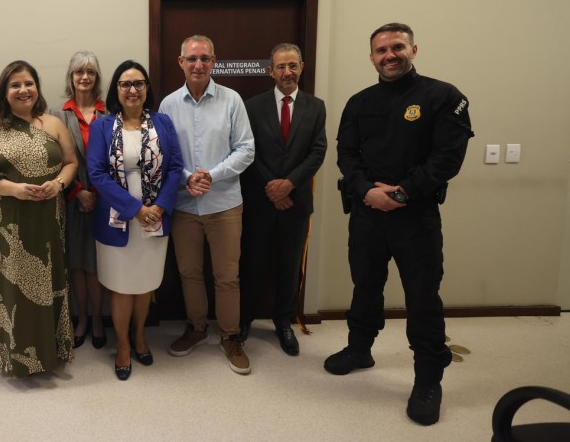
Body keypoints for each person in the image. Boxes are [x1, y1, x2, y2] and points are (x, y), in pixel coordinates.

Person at [327, 23, 473, 426]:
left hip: (416, 217)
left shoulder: (443, 96)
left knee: (423, 298)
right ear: (371, 57)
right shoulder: (360, 102)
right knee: (365, 286)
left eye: (397, 48)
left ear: (413, 49)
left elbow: (447, 158)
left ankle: (428, 379)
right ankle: (360, 349)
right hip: (367, 214)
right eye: (380, 50)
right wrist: (366, 192)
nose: (389, 55)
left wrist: (404, 193)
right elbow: (346, 153)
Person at [0, 60, 78, 378]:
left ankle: (53, 350)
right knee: (14, 288)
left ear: (37, 88)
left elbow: (70, 163)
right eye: (15, 84)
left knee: (49, 281)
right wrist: (15, 189)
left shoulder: (53, 122)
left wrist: (58, 184)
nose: (23, 89)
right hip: (8, 219)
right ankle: (15, 357)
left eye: (28, 83)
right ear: (4, 91)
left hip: (48, 218)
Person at [159, 34, 255, 375]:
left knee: (227, 276)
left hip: (224, 204)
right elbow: (164, 153)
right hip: (185, 204)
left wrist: (211, 175)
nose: (198, 64)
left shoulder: (232, 100)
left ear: (214, 62)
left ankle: (231, 337)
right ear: (180, 62)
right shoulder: (169, 105)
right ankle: (197, 329)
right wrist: (188, 177)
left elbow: (246, 149)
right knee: (189, 273)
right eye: (192, 58)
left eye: (205, 58)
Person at [87, 60, 184, 380]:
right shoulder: (103, 126)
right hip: (118, 219)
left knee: (143, 286)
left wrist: (160, 205)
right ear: (116, 90)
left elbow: (174, 168)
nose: (132, 89)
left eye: (138, 83)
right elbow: (97, 174)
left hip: (154, 218)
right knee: (120, 287)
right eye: (125, 84)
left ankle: (140, 336)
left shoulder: (163, 123)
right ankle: (124, 346)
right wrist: (134, 208)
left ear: (147, 89)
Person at [239, 43, 327, 356]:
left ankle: (284, 321)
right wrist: (271, 188)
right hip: (260, 201)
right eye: (280, 66)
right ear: (270, 70)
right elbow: (249, 151)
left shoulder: (316, 107)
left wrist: (289, 185)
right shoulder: (251, 106)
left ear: (302, 66)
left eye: (292, 65)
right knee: (253, 262)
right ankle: (245, 319)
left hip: (297, 202)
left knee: (289, 266)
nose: (286, 72)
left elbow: (318, 151)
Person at [55, 51, 107, 349]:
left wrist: (97, 193)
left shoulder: (110, 112)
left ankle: (99, 319)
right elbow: (54, 161)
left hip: (104, 201)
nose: (84, 77)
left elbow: (116, 162)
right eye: (78, 72)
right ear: (71, 77)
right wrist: (77, 192)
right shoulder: (57, 114)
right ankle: (82, 318)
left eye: (90, 72)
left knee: (97, 264)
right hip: (71, 199)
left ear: (97, 78)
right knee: (76, 262)